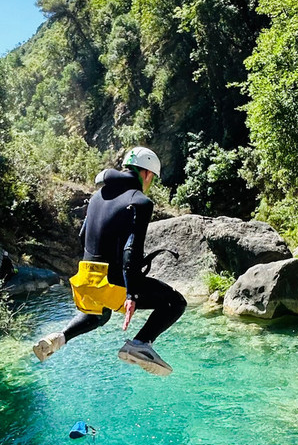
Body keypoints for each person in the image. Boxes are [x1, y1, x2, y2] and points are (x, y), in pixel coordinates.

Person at [33, 147, 186, 376]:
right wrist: (131, 294)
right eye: (152, 177)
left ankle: (59, 338)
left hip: (85, 278)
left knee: (100, 314)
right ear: (146, 174)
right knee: (175, 302)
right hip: (111, 282)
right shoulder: (140, 202)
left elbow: (83, 236)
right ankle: (140, 343)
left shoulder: (97, 197)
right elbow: (130, 249)